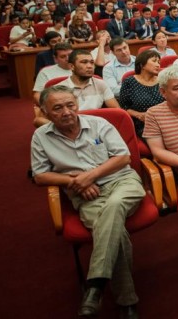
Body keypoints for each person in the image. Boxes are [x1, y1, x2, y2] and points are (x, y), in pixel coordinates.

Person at [31, 86, 145, 318]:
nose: (66, 112)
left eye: (70, 105)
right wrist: (74, 181)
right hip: (85, 194)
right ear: (45, 112)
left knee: (114, 206)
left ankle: (95, 285)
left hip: (122, 182)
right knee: (116, 232)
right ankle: (126, 301)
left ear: (77, 105)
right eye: (57, 108)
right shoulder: (41, 137)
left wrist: (89, 176)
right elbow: (40, 176)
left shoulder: (99, 124)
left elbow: (123, 158)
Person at [119, 50, 164, 138]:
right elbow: (124, 108)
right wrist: (139, 115)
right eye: (154, 61)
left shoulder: (163, 80)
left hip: (164, 120)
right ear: (142, 65)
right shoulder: (129, 82)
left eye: (159, 62)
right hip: (144, 124)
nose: (158, 65)